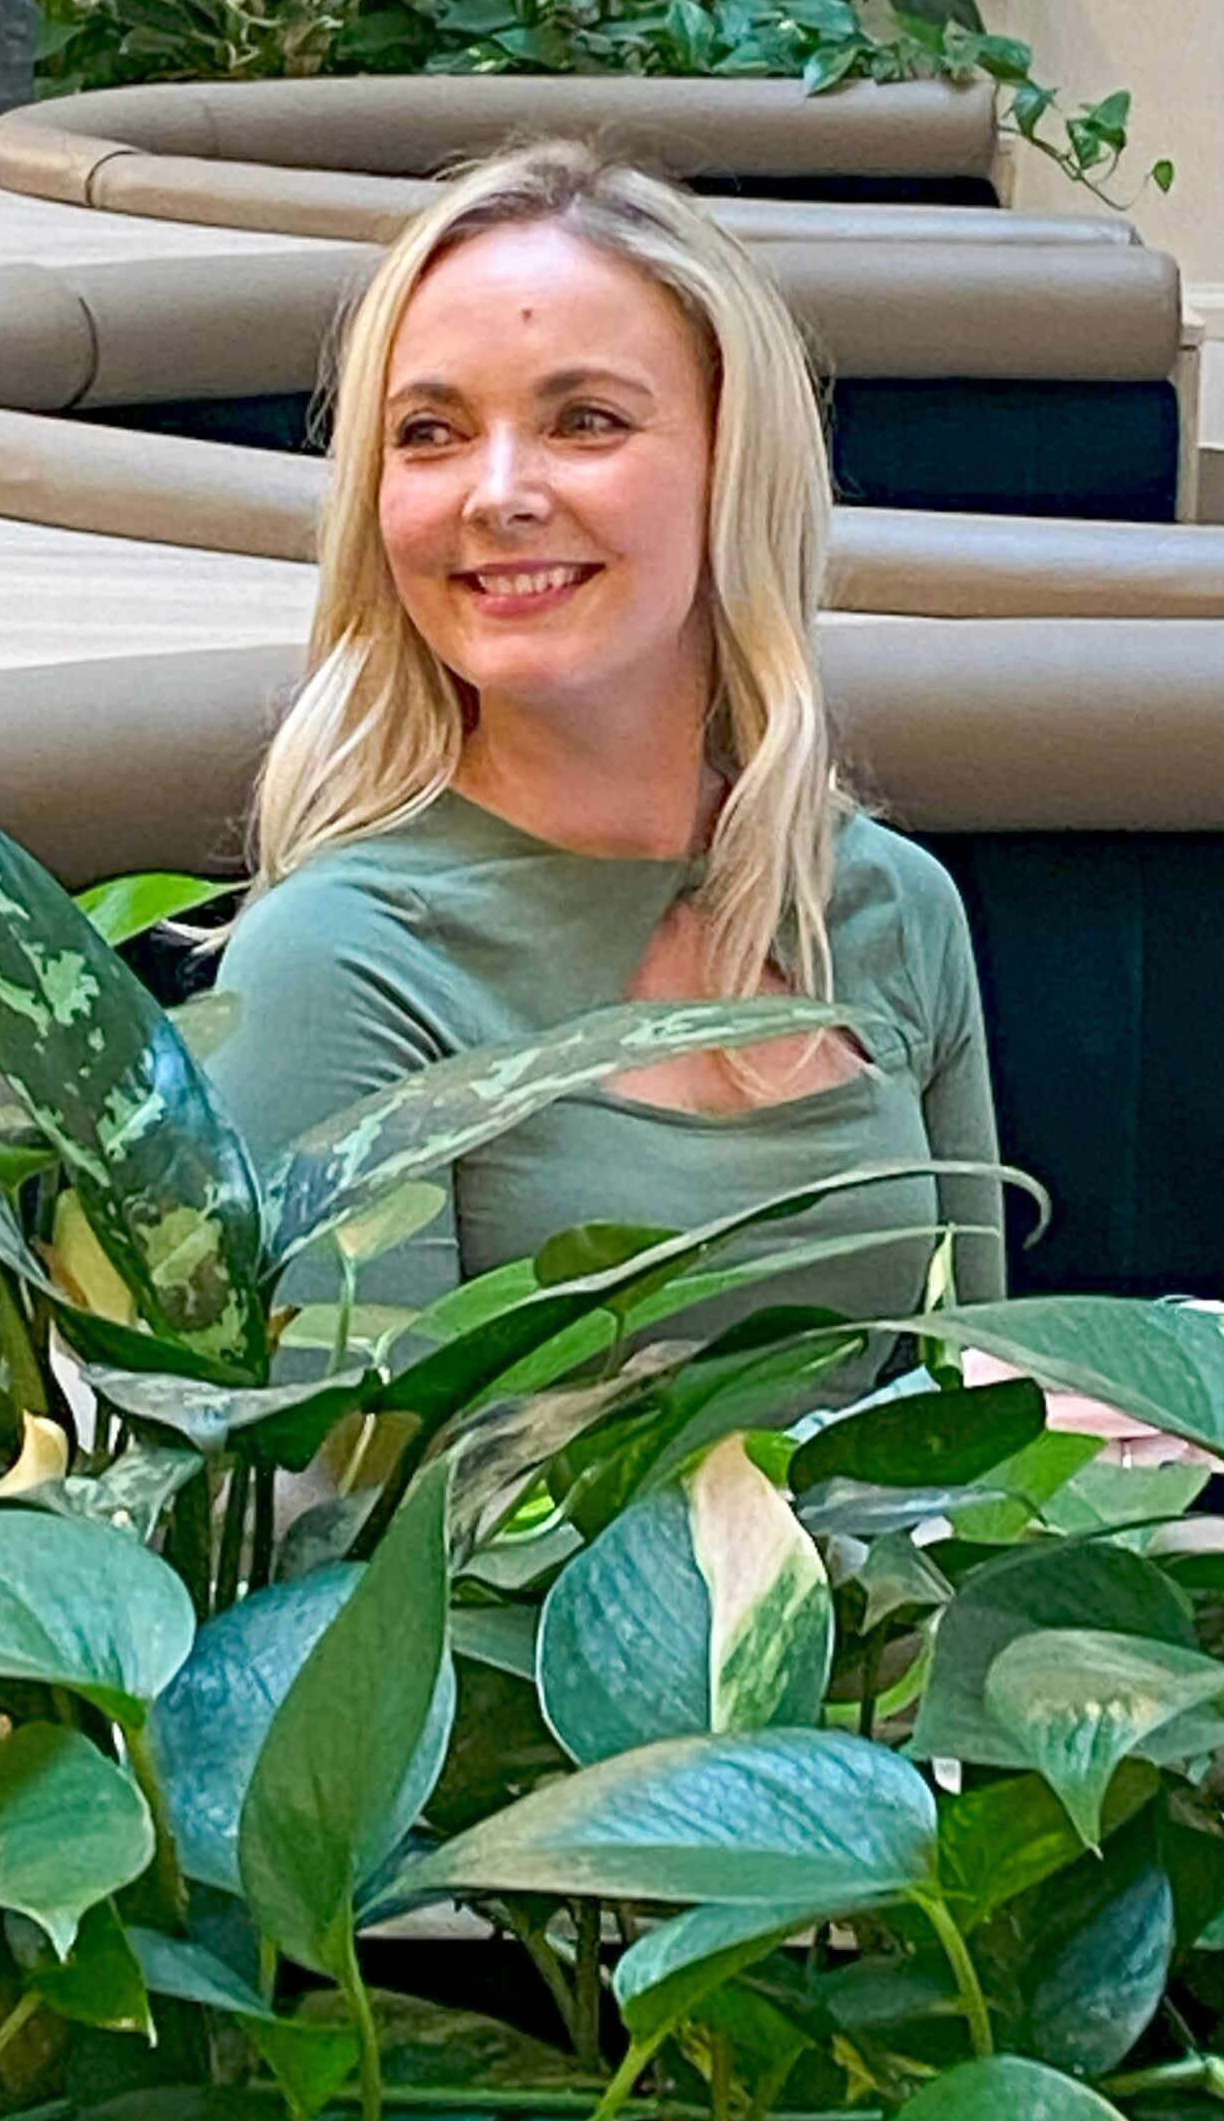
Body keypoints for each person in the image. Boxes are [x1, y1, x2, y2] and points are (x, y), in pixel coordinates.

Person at [204, 138, 1012, 1342]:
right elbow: (353, 1509)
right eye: (430, 433)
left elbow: (971, 1428)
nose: (499, 491)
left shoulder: (888, 907)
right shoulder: (336, 964)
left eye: (584, 420)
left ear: (733, 468)